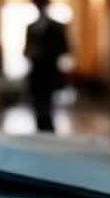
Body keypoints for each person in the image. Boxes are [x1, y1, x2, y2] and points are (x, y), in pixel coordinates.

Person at [24, 0, 69, 133]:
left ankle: (48, 133)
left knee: (48, 109)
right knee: (38, 109)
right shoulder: (31, 27)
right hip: (36, 74)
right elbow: (26, 51)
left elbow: (65, 49)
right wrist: (31, 52)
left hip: (49, 74)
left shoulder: (57, 27)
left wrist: (44, 51)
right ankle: (41, 133)